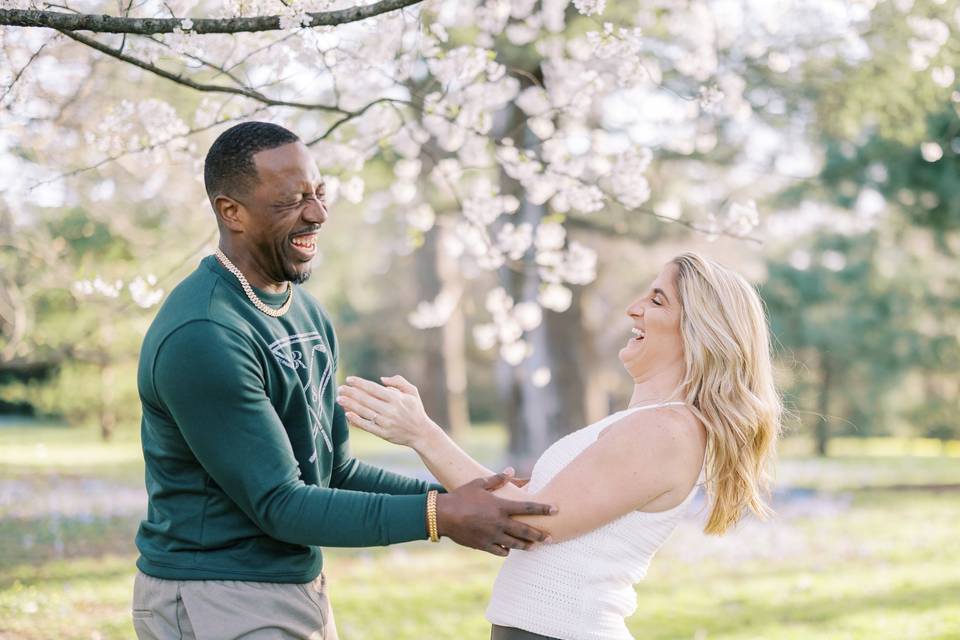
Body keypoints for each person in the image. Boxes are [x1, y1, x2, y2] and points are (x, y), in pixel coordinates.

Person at [132, 121, 556, 640]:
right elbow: (280, 503)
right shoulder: (205, 332)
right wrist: (441, 515)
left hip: (296, 587)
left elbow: (333, 472)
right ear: (231, 212)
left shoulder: (307, 313)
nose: (317, 214)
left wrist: (465, 498)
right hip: (215, 594)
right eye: (292, 200)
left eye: (319, 193)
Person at [337, 252, 782, 640]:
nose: (634, 309)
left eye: (657, 300)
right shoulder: (648, 423)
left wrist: (423, 434)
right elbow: (535, 501)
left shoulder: (667, 429)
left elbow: (532, 522)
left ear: (698, 329)